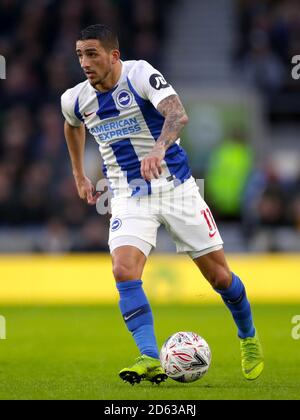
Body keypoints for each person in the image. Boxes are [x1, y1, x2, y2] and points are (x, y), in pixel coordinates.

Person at [61, 24, 264, 385]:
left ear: (113, 55)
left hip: (176, 189)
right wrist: (79, 173)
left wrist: (158, 149)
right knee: (124, 270)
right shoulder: (75, 98)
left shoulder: (140, 74)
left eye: (92, 54)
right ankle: (149, 356)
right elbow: (71, 125)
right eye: (80, 55)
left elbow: (177, 114)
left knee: (220, 277)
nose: (85, 62)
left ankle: (247, 336)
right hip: (126, 194)